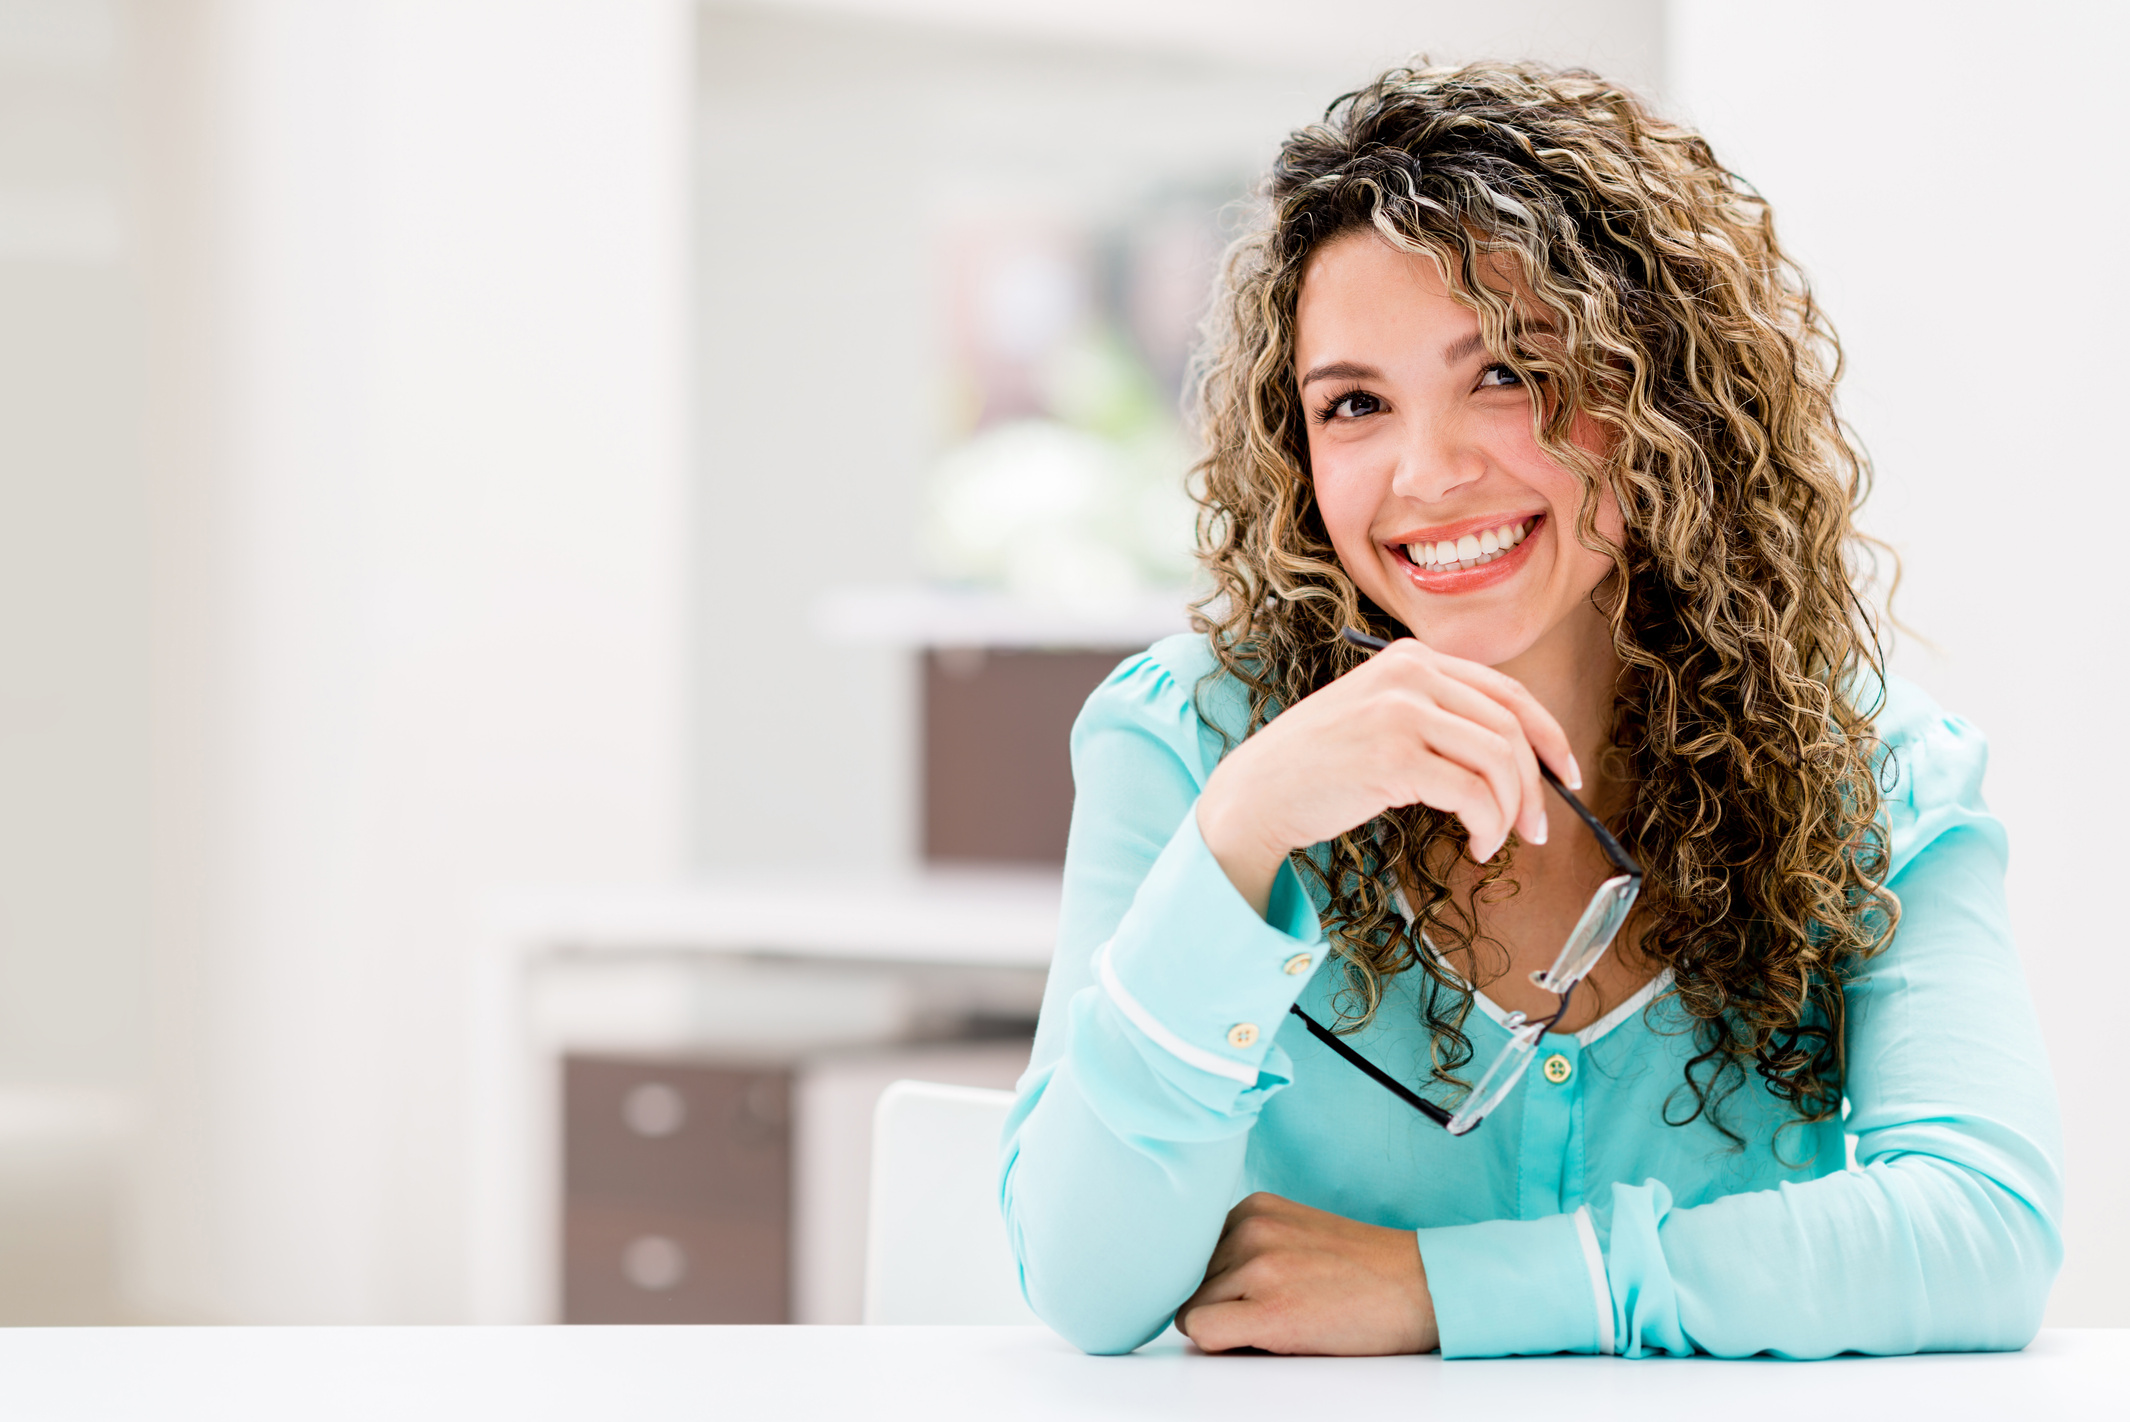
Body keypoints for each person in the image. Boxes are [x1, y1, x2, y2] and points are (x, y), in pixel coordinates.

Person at [996, 60, 2062, 1359]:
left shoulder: (1868, 765)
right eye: (1354, 405)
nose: (1427, 472)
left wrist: (1445, 1286)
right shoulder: (1190, 742)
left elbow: (1980, 1230)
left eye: (1503, 372)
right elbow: (1084, 1285)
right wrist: (1241, 835)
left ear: (1657, 395)